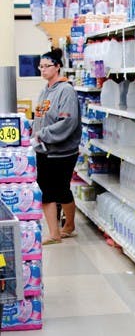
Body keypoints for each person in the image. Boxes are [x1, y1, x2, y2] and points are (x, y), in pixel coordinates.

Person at [32, 48, 81, 244]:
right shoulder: (45, 90)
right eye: (40, 66)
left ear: (57, 67)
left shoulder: (65, 90)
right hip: (43, 150)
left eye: (47, 66)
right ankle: (56, 232)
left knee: (60, 191)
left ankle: (67, 226)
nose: (43, 70)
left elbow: (68, 122)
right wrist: (32, 131)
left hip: (62, 152)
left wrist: (42, 134)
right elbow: (41, 117)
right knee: (47, 191)